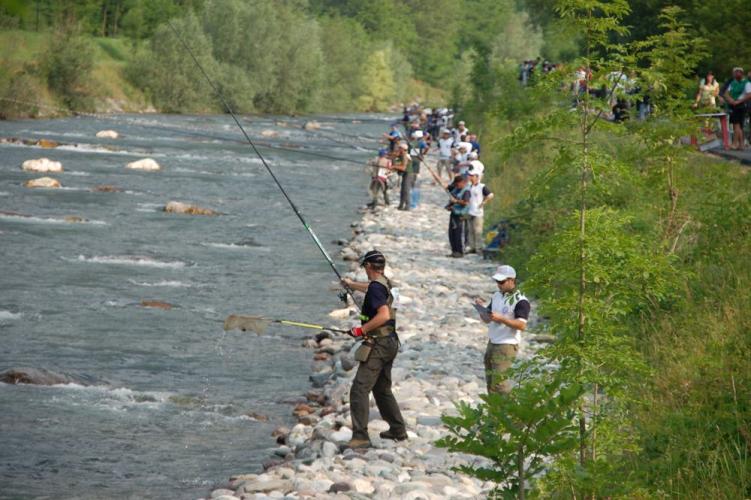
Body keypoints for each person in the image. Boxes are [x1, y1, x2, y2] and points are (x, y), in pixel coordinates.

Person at [342, 250, 407, 448]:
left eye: (364, 267)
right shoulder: (383, 282)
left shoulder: (377, 288)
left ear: (369, 267)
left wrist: (361, 330)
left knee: (359, 389)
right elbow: (372, 288)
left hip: (379, 345)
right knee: (381, 389)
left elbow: (384, 314)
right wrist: (352, 285)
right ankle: (397, 430)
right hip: (390, 342)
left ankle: (360, 437)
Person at [474, 265, 530, 394]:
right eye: (497, 281)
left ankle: (509, 411)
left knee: (500, 384)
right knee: (490, 381)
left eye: (502, 281)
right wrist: (481, 309)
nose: (499, 285)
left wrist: (502, 319)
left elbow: (521, 325)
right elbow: (488, 319)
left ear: (512, 280)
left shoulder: (521, 301)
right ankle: (494, 412)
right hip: (493, 342)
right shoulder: (497, 296)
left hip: (507, 344)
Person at [466, 163, 493, 254]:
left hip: (478, 213)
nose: (470, 177)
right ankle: (472, 247)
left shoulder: (482, 186)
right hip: (470, 211)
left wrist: (483, 203)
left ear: (477, 176)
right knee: (470, 230)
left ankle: (479, 248)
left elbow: (490, 195)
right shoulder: (470, 186)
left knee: (478, 231)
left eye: (472, 176)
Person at [723, 67, 751, 150]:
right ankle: (741, 145)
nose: (737, 74)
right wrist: (730, 100)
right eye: (735, 72)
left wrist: (738, 101)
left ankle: (735, 143)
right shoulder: (733, 83)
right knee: (738, 126)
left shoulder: (747, 83)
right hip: (733, 105)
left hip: (741, 105)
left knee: (737, 125)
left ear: (742, 73)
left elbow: (749, 95)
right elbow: (726, 93)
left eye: (739, 72)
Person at [446, 174, 470, 258]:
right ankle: (454, 251)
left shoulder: (466, 191)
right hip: (453, 213)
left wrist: (456, 201)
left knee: (459, 234)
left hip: (461, 215)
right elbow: (451, 195)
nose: (456, 185)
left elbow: (466, 202)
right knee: (451, 233)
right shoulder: (456, 189)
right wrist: (449, 206)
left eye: (458, 183)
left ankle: (460, 251)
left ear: (463, 183)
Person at [391, 142, 412, 210]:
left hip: (408, 174)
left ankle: (407, 206)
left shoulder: (405, 156)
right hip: (404, 174)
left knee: (406, 190)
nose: (398, 149)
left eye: (399, 148)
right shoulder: (401, 155)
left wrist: (394, 166)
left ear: (403, 149)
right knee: (402, 190)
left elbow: (403, 167)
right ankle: (401, 205)